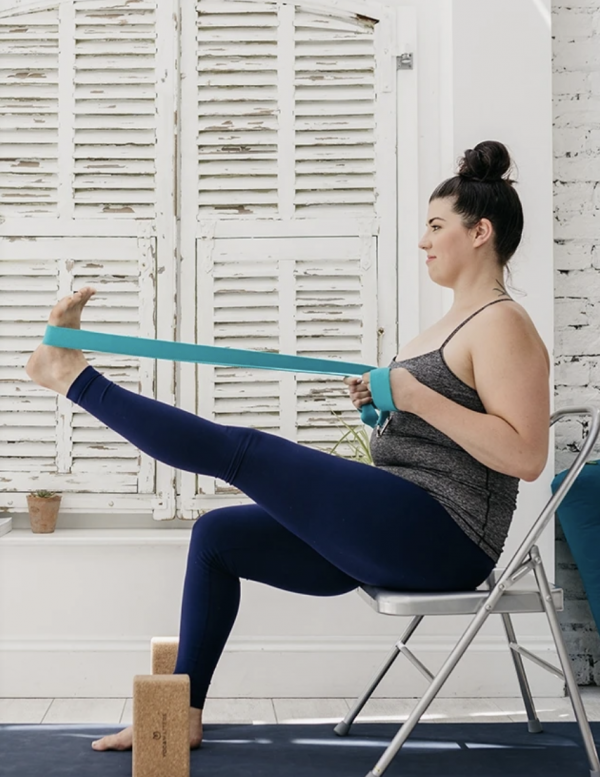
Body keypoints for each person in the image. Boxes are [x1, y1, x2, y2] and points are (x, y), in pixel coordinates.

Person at [25, 140, 550, 753]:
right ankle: (184, 715)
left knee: (246, 451)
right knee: (218, 537)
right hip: (399, 522)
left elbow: (525, 457)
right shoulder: (446, 326)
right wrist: (384, 407)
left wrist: (415, 396)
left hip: (444, 538)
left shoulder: (503, 323)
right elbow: (439, 424)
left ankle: (71, 377)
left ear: (480, 231)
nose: (423, 240)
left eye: (437, 226)